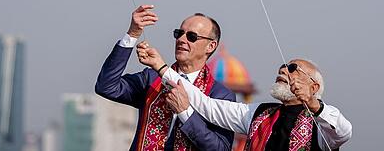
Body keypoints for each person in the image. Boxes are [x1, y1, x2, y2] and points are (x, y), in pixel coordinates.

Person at [136, 44, 352, 150]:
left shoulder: (323, 124)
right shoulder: (259, 113)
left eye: (293, 68)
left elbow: (343, 132)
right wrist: (161, 67)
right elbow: (206, 105)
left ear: (314, 86)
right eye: (282, 67)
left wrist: (313, 103)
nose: (283, 71)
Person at [95, 5, 236, 151]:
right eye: (179, 33)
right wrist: (133, 34)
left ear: (210, 46)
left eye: (191, 37)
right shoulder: (152, 79)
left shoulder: (221, 95)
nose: (181, 39)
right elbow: (106, 86)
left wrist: (185, 112)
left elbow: (220, 149)